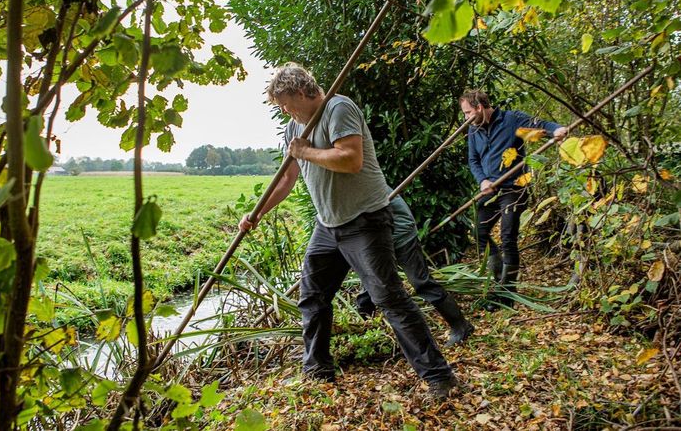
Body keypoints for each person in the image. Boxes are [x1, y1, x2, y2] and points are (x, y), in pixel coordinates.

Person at [240, 63, 458, 399]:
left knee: (389, 298)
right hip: (327, 225)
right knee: (312, 298)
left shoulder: (338, 108)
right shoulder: (292, 127)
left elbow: (349, 159)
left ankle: (438, 376)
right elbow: (287, 178)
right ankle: (317, 370)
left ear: (301, 92)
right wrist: (257, 213)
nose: (284, 110)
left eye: (285, 102)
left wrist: (306, 150)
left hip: (364, 221)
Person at [459, 90, 567, 311]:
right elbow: (473, 159)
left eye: (468, 113)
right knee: (479, 233)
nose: (466, 118)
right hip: (490, 191)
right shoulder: (473, 129)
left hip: (514, 189)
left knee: (508, 237)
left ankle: (506, 294)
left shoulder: (511, 119)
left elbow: (541, 125)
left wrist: (557, 129)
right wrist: (482, 181)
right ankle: (498, 281)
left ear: (479, 107)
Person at [355, 193, 474, 347]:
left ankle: (461, 326)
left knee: (421, 282)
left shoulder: (359, 180)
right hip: (376, 238)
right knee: (370, 286)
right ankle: (366, 336)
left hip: (400, 232)